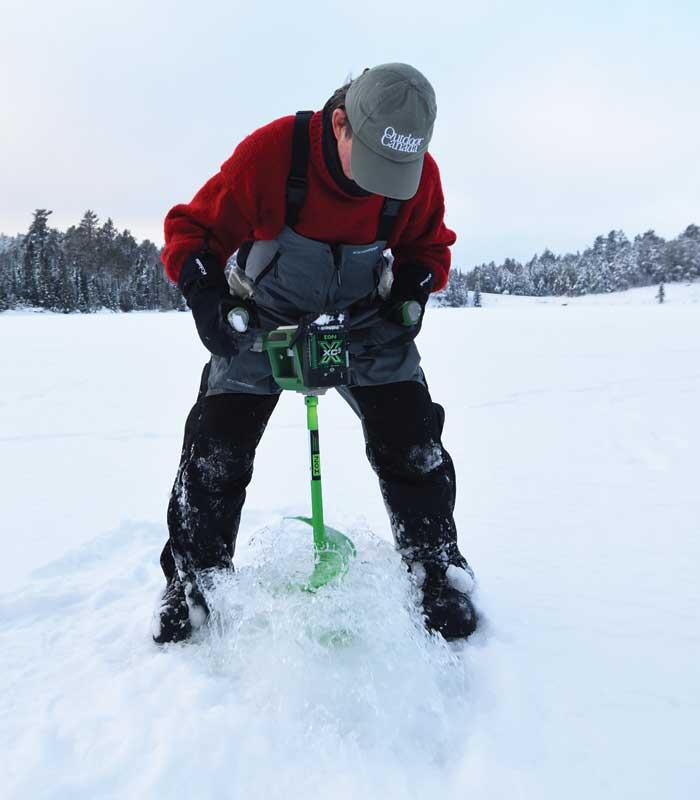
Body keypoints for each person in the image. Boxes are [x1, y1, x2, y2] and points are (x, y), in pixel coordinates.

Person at [153, 63, 478, 645]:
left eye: (396, 174)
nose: (384, 185)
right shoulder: (273, 155)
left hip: (363, 319)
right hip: (268, 316)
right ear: (339, 126)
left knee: (413, 441)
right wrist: (204, 295)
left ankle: (436, 570)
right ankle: (194, 582)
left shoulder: (417, 174)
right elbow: (192, 230)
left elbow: (428, 246)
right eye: (375, 166)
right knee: (215, 451)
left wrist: (413, 288)